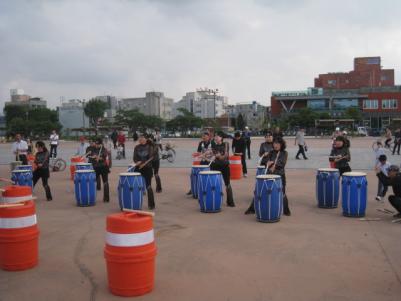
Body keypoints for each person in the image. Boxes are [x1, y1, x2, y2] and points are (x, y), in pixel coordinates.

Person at [245, 136, 291, 216]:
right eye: (275, 143)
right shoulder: (271, 152)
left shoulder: (284, 153)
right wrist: (267, 163)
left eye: (278, 143)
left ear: (281, 144)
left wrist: (272, 163)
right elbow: (264, 161)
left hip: (279, 176)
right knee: (258, 191)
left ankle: (286, 210)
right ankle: (252, 208)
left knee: (282, 193)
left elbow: (282, 163)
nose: (276, 145)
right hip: (269, 174)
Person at [210, 132, 235, 207]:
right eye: (215, 137)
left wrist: (218, 156)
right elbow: (212, 154)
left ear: (221, 138)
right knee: (213, 184)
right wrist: (209, 156)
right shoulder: (213, 145)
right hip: (215, 166)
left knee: (227, 184)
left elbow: (226, 155)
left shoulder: (226, 144)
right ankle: (214, 200)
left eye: (217, 136)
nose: (216, 138)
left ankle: (230, 202)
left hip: (225, 166)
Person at [133, 133, 155, 209]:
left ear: (145, 139)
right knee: (134, 185)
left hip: (147, 168)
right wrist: (137, 162)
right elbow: (135, 157)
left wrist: (142, 163)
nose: (140, 139)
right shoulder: (136, 147)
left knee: (148, 186)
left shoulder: (150, 147)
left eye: (142, 138)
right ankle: (135, 202)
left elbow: (151, 158)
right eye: (140, 138)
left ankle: (151, 204)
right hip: (138, 168)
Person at [88, 138, 110, 202]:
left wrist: (99, 158)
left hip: (103, 167)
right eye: (96, 144)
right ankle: (92, 197)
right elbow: (91, 157)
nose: (96, 145)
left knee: (105, 182)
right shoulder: (94, 149)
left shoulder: (104, 149)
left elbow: (104, 157)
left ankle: (106, 198)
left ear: (101, 144)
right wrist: (92, 157)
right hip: (96, 167)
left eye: (98, 144)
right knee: (93, 182)